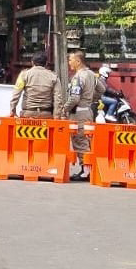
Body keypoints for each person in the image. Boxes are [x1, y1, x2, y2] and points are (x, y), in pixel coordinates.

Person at [61, 50, 104, 181]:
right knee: (87, 141)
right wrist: (91, 99)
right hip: (88, 111)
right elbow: (102, 89)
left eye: (70, 60)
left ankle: (86, 171)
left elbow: (74, 98)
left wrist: (64, 108)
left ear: (78, 61)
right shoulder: (91, 74)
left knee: (79, 141)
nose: (69, 62)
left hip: (78, 113)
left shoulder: (78, 77)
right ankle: (88, 169)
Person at [10, 52, 60, 119]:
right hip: (46, 114)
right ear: (46, 63)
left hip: (27, 114)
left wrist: (12, 110)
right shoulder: (54, 77)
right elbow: (58, 98)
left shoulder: (24, 75)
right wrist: (57, 116)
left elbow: (16, 94)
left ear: (32, 62)